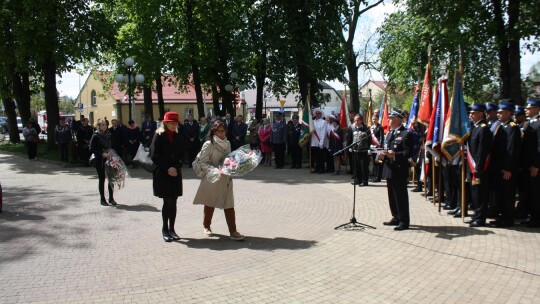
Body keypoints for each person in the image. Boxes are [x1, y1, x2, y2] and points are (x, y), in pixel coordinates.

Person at [193, 120, 244, 241]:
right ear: (214, 131)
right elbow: (203, 163)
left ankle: (233, 231)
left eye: (224, 130)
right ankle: (206, 226)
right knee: (210, 202)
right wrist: (216, 170)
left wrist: (233, 165)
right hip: (213, 178)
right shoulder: (208, 144)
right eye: (219, 131)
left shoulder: (228, 143)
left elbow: (229, 159)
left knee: (229, 204)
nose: (222, 133)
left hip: (226, 179)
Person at [149, 112, 184, 242]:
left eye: (175, 123)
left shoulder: (178, 137)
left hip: (175, 173)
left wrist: (176, 167)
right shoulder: (158, 136)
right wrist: (168, 167)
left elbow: (182, 155)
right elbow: (154, 155)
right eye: (171, 123)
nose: (174, 125)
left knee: (174, 201)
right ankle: (165, 229)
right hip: (163, 173)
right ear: (165, 123)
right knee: (167, 201)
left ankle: (172, 229)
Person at [379, 109, 412, 231]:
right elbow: (387, 148)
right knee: (392, 196)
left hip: (399, 169)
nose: (389, 120)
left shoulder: (406, 134)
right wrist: (382, 153)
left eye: (391, 118)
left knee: (400, 196)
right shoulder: (390, 133)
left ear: (398, 119)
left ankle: (404, 220)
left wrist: (395, 155)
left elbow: (407, 153)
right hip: (389, 168)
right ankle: (396, 217)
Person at [490, 99, 521, 227]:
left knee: (507, 195)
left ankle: (508, 219)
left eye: (501, 112)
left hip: (506, 169)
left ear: (508, 113)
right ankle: (501, 216)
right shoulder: (501, 127)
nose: (498, 114)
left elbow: (511, 149)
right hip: (498, 167)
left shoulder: (512, 128)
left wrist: (508, 168)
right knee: (500, 194)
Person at [466, 103, 493, 227]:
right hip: (472, 168)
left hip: (480, 168)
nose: (470, 115)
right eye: (470, 112)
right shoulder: (474, 128)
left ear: (480, 114)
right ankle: (476, 215)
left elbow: (482, 151)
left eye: (473, 113)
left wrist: (478, 168)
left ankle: (480, 218)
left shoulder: (483, 129)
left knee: (480, 194)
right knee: (475, 194)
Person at [520, 99, 540, 227]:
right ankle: (532, 216)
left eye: (529, 108)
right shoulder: (529, 124)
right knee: (529, 193)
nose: (526, 110)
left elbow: (539, 147)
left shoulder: (538, 124)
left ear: (537, 108)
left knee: (536, 193)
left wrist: (536, 165)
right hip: (527, 164)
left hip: (534, 165)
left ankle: (537, 218)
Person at [89, 119, 116, 206]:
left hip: (110, 158)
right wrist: (102, 153)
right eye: (103, 125)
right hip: (100, 160)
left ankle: (111, 198)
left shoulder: (110, 135)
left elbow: (113, 146)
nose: (105, 126)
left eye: (105, 125)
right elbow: (91, 149)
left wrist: (112, 153)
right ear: (99, 126)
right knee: (102, 178)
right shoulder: (96, 135)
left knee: (111, 179)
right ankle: (102, 199)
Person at [348, 114, 371, 185]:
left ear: (361, 120)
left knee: (364, 166)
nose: (356, 122)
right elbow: (350, 138)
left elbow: (369, 139)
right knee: (356, 166)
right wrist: (350, 147)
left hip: (364, 151)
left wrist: (369, 148)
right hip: (355, 151)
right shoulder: (352, 128)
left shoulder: (366, 128)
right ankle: (358, 180)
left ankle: (364, 181)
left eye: (357, 120)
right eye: (355, 120)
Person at [311, 108, 329, 173]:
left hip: (320, 142)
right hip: (313, 141)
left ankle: (322, 169)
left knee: (321, 157)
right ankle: (317, 168)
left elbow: (323, 133)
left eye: (319, 113)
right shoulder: (312, 122)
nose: (317, 114)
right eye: (316, 113)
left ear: (321, 115)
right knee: (315, 157)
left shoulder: (323, 122)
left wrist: (321, 142)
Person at [370, 115, 384, 182]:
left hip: (378, 146)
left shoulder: (380, 127)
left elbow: (381, 138)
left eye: (375, 119)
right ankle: (375, 176)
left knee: (378, 162)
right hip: (373, 146)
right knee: (374, 162)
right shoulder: (371, 128)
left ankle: (378, 177)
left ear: (378, 119)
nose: (374, 120)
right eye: (373, 119)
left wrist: (380, 148)